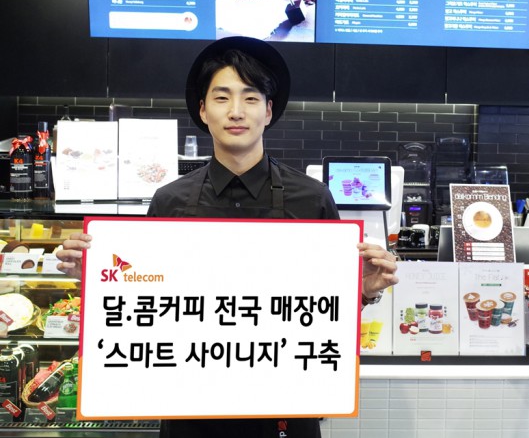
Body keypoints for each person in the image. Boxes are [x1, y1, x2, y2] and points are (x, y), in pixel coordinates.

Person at [56, 36, 399, 438]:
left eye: (250, 98)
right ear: (203, 110)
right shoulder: (170, 201)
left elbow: (324, 314)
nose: (236, 111)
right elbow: (146, 308)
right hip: (190, 414)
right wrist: (97, 279)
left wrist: (362, 291)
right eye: (222, 98)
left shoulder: (312, 199)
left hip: (284, 411)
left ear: (268, 111)